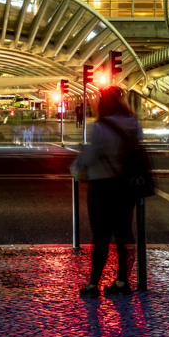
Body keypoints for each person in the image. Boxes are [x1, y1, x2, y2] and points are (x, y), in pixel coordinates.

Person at [71, 84, 143, 298]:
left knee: (101, 236)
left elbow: (90, 159)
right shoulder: (133, 124)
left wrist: (83, 156)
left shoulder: (100, 127)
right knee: (125, 234)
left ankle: (93, 285)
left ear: (102, 103)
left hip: (102, 186)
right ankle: (122, 281)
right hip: (126, 186)